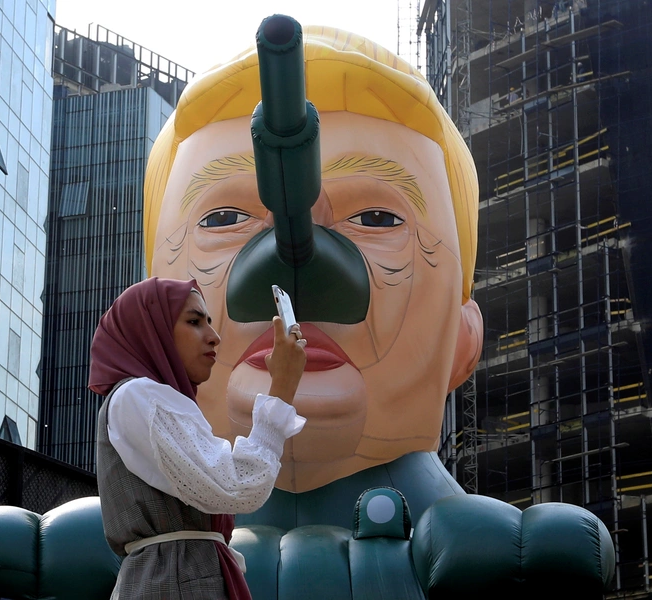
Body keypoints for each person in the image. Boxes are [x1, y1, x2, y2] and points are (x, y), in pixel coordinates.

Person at [144, 27, 484, 501]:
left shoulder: (467, 549)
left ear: (463, 337)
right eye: (223, 218)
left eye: (376, 218)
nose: (291, 272)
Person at [89, 277, 307, 599]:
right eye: (194, 321)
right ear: (152, 330)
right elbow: (240, 484)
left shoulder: (153, 400)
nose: (214, 337)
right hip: (172, 581)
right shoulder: (137, 395)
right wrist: (281, 390)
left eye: (209, 322)